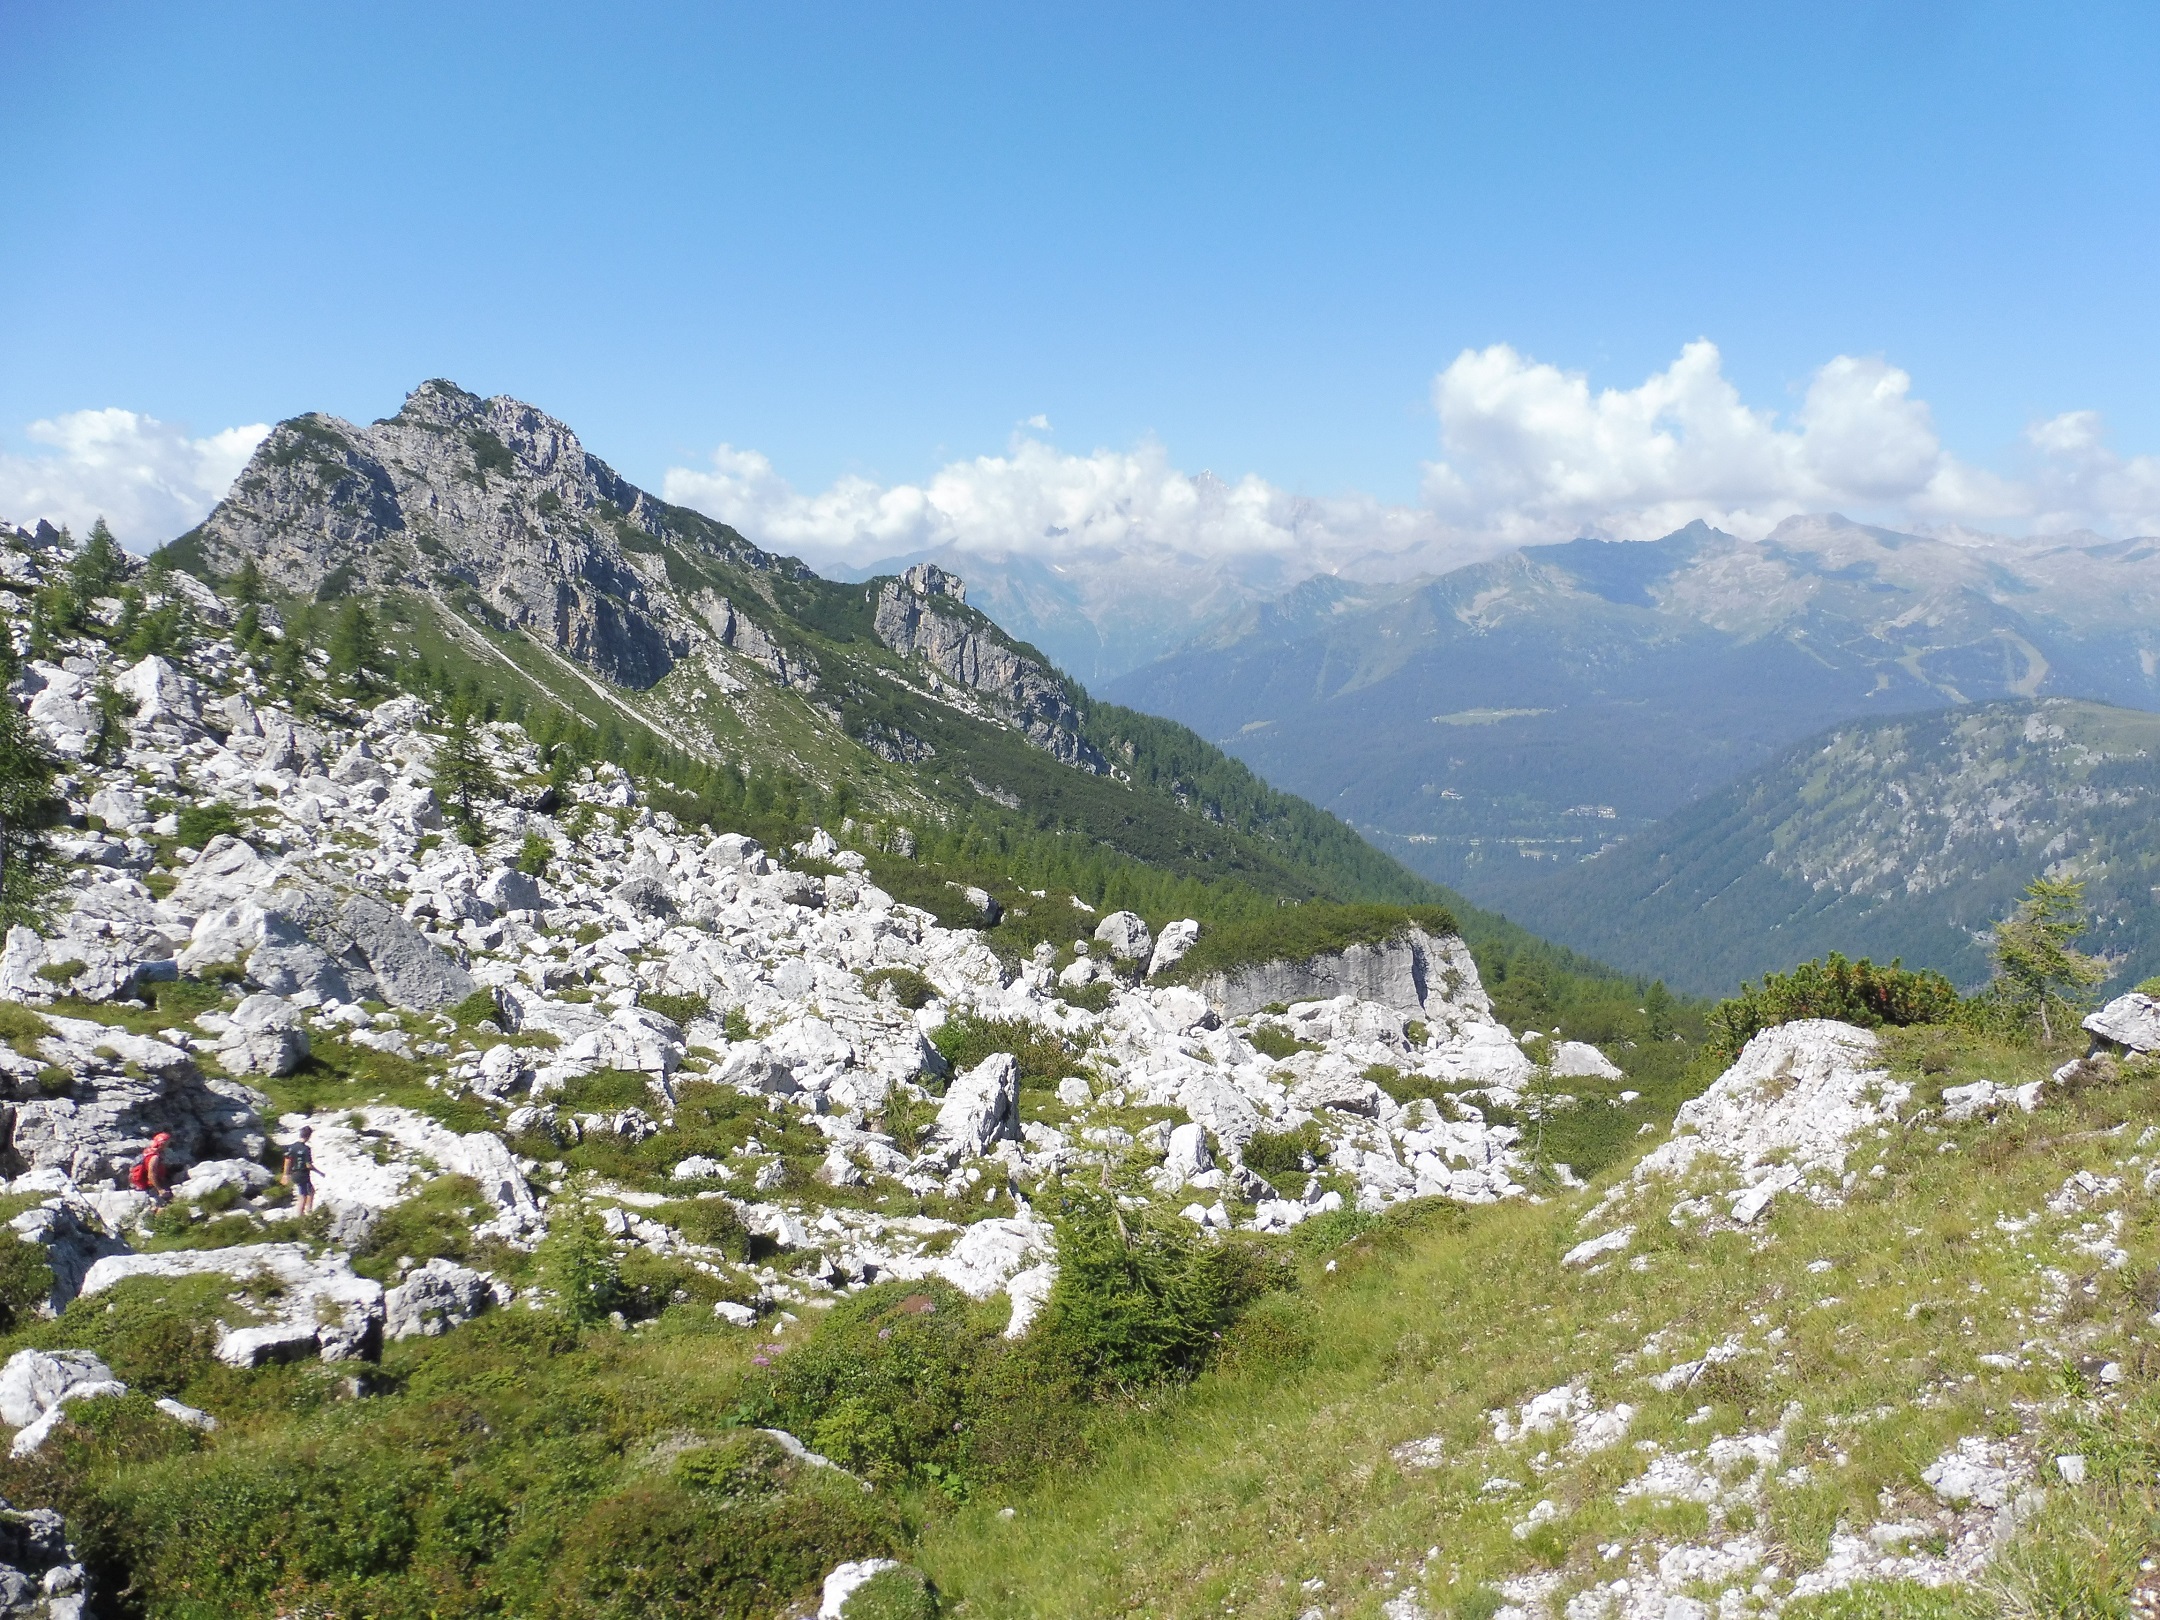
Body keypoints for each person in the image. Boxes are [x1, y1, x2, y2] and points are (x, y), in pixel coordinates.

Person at [281, 1125, 318, 1216]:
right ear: (309, 1136)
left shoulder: (292, 1147)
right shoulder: (306, 1149)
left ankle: (307, 1211)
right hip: (303, 1174)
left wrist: (285, 1174)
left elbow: (288, 1160)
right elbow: (308, 1165)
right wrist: (319, 1172)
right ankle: (302, 1214)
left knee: (309, 1191)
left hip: (294, 1173)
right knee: (304, 1195)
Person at [131, 1131, 174, 1205]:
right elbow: (151, 1174)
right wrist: (160, 1190)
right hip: (150, 1186)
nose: (168, 1145)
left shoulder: (148, 1151)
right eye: (167, 1143)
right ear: (162, 1144)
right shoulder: (154, 1157)